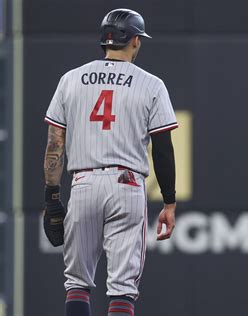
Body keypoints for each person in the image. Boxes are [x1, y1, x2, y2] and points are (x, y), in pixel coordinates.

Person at [42, 8, 178, 316]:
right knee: (122, 289)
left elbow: (54, 143)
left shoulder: (71, 79)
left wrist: (52, 197)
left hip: (83, 182)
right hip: (126, 184)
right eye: (138, 38)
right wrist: (169, 202)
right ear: (133, 41)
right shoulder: (151, 83)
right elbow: (163, 148)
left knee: (76, 283)